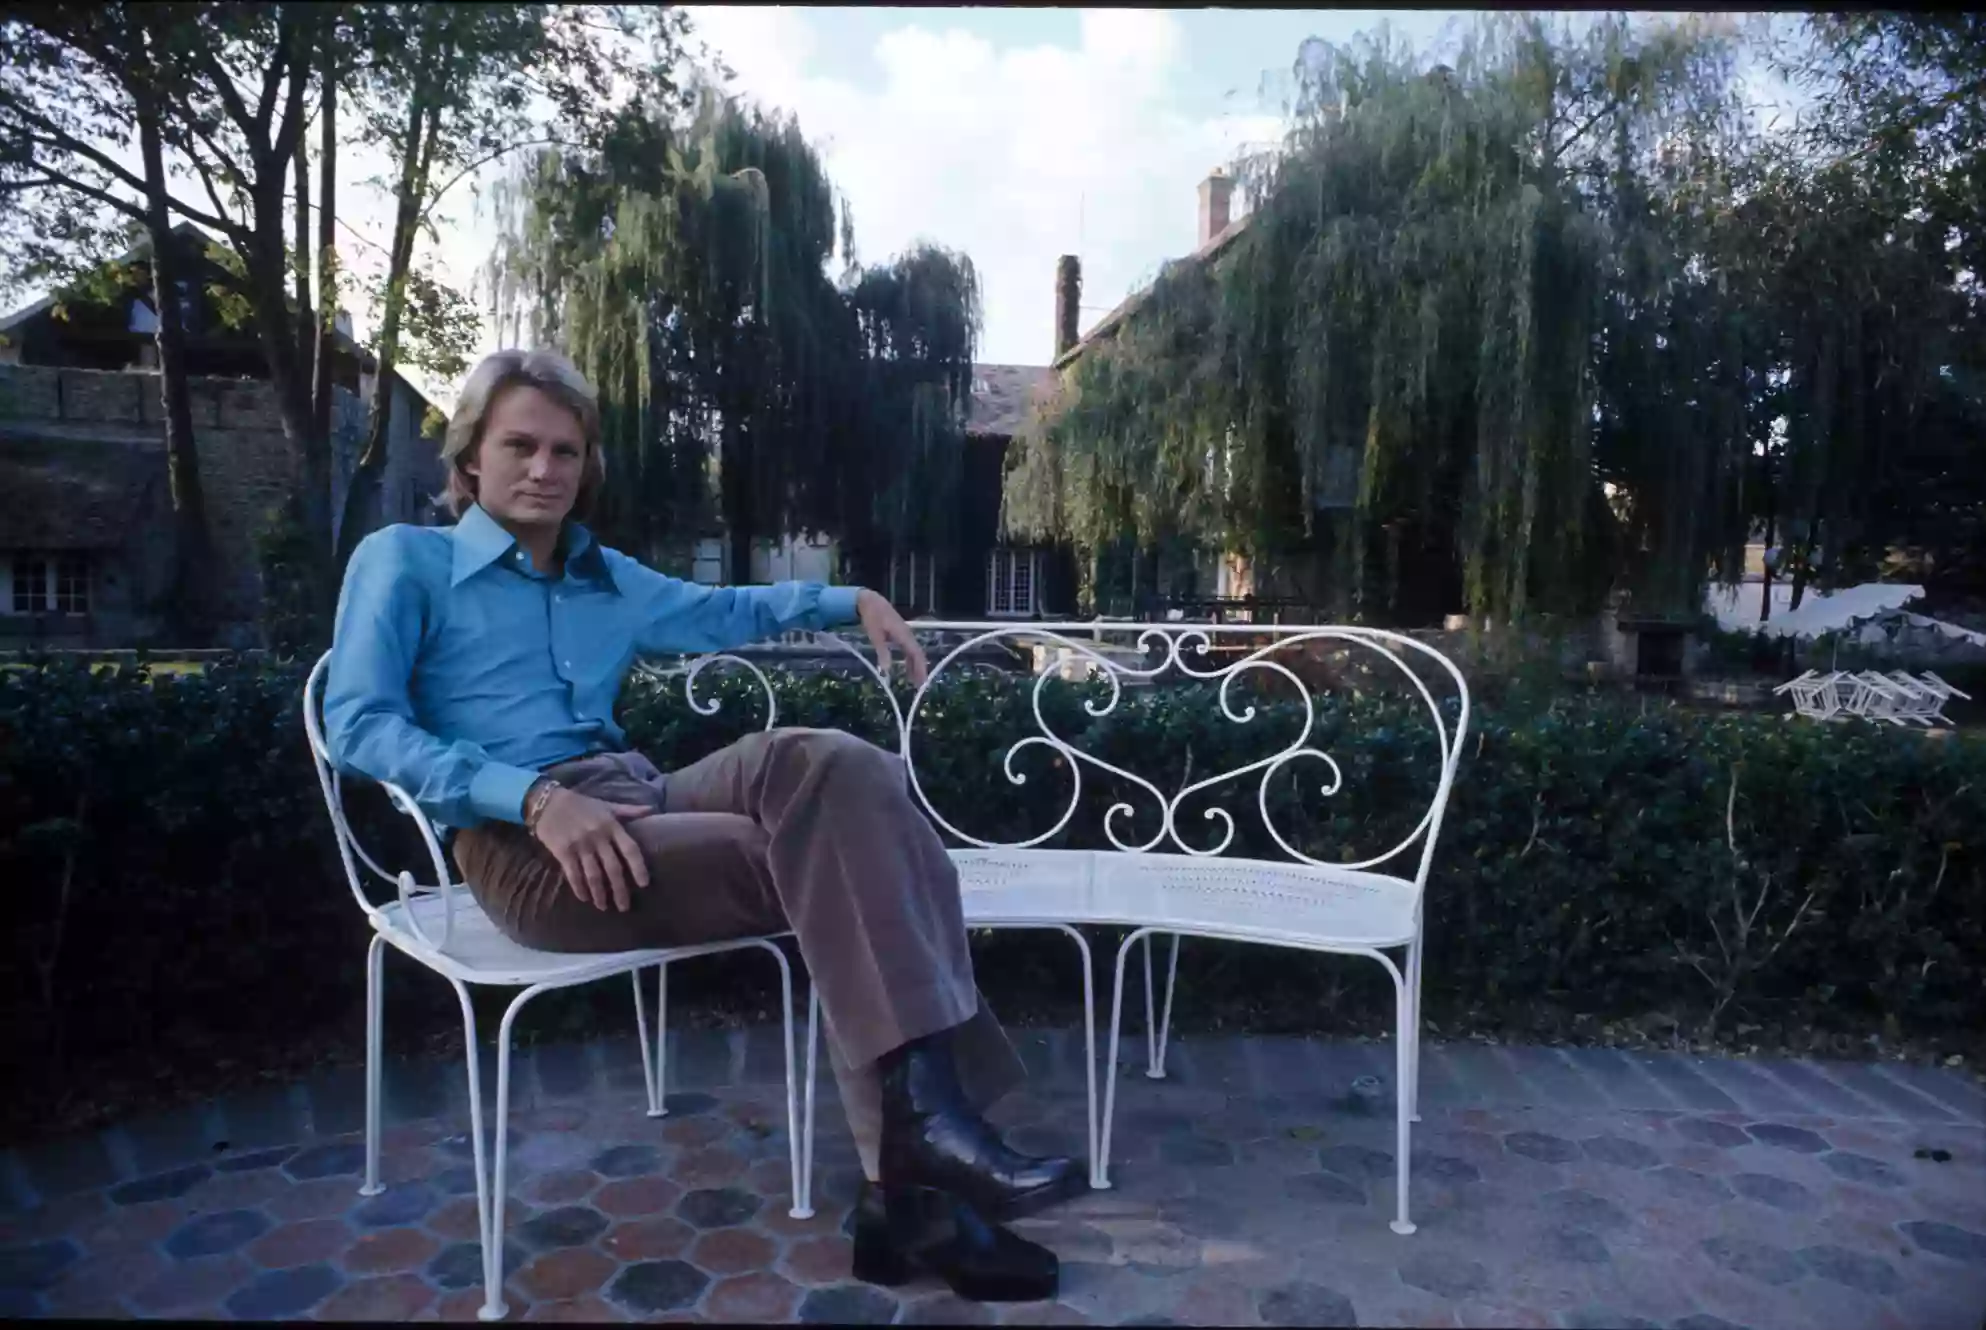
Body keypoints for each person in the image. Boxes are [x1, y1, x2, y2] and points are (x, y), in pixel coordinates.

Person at [323, 348, 1077, 1302]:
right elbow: (358, 724)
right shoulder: (405, 561)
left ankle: (919, 1155)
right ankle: (916, 1180)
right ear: (471, 455)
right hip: (527, 843)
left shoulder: (601, 575)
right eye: (520, 445)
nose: (545, 469)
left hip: (638, 794)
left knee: (842, 770)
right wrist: (532, 799)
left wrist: (849, 599)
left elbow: (722, 609)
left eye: (566, 450)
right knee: (836, 865)